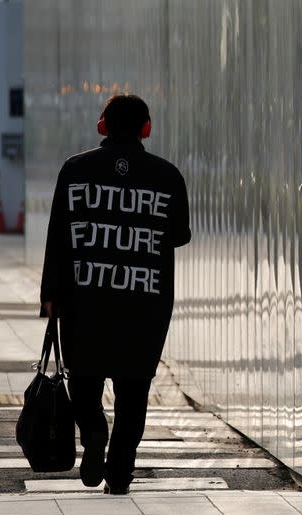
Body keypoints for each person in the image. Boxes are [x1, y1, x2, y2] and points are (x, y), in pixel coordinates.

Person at [39, 94, 191, 494]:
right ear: (147, 129)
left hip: (84, 302)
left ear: (101, 125)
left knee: (84, 381)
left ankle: (93, 436)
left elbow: (58, 238)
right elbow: (179, 235)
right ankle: (121, 469)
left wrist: (50, 295)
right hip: (145, 304)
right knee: (133, 386)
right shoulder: (168, 176)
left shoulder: (74, 171)